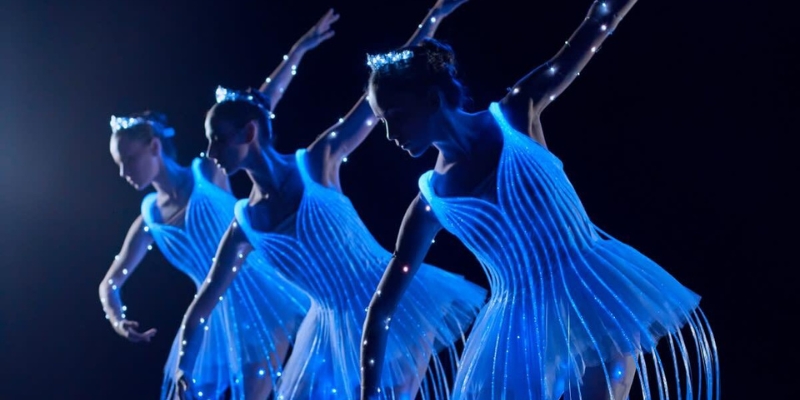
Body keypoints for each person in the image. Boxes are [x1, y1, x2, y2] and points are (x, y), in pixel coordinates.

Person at [360, 0, 720, 399]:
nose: (389, 133)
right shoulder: (431, 201)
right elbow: (381, 310)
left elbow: (594, 26)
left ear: (431, 97)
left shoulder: (515, 114)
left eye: (393, 114)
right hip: (516, 330)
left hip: (591, 291)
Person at [188, 1, 487, 399]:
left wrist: (433, 16)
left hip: (395, 308)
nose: (209, 151)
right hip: (325, 335)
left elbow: (373, 100)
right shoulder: (245, 224)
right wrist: (183, 369)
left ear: (248, 134)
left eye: (218, 138)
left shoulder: (317, 162)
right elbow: (205, 300)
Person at [99, 10, 340, 399]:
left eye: (128, 158)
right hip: (211, 317)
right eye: (119, 164)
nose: (124, 171)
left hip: (263, 294)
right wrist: (118, 319)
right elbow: (110, 282)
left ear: (154, 147)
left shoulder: (208, 171)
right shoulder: (150, 219)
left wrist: (299, 50)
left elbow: (257, 108)